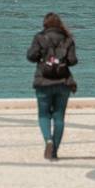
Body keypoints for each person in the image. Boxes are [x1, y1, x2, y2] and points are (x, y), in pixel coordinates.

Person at [26, 12, 77, 161]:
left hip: (43, 81)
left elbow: (30, 56)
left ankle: (48, 139)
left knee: (43, 115)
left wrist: (43, 55)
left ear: (45, 24)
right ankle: (54, 152)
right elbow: (73, 61)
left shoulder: (40, 37)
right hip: (63, 82)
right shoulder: (68, 39)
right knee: (59, 116)